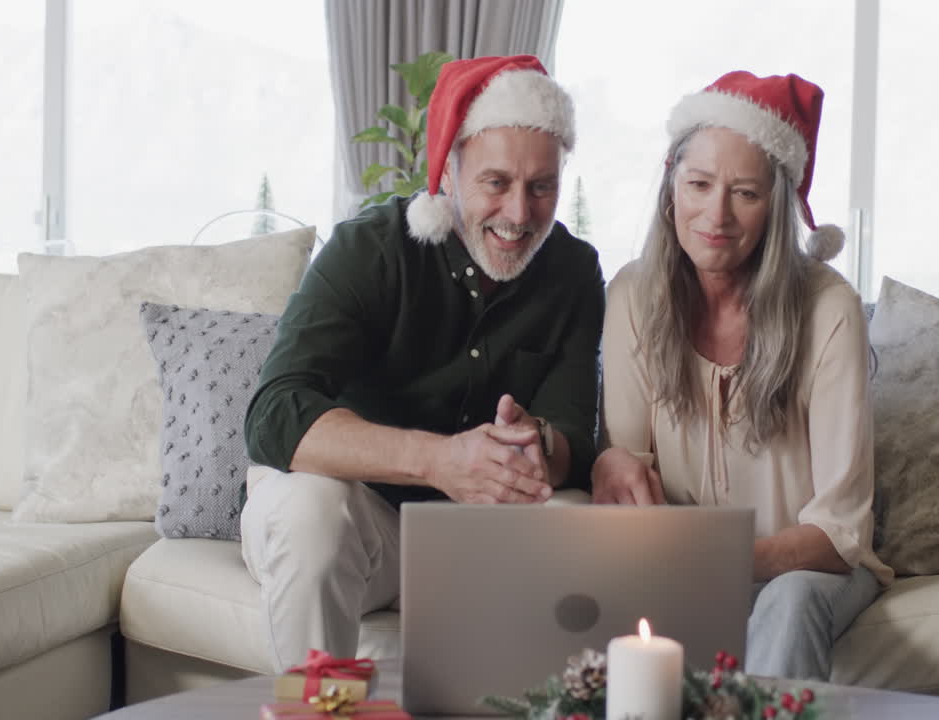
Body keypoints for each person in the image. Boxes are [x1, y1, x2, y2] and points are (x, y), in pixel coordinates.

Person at [242, 55, 605, 670]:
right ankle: (319, 716)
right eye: (496, 183)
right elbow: (274, 415)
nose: (519, 214)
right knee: (313, 511)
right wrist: (440, 460)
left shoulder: (573, 270)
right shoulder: (369, 249)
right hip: (351, 515)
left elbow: (574, 438)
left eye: (541, 187)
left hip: (466, 540)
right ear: (451, 168)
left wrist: (533, 443)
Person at [592, 71, 894, 681]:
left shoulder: (828, 306)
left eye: (746, 194)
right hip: (677, 570)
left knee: (791, 598)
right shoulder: (630, 295)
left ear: (776, 204)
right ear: (672, 184)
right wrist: (609, 465)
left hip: (811, 572)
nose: (716, 215)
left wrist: (715, 564)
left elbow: (839, 535)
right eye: (699, 184)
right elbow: (627, 463)